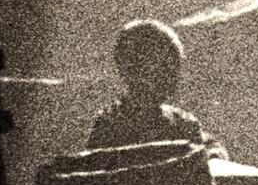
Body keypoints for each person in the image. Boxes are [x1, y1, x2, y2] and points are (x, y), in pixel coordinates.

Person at [88, 17, 212, 152]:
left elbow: (208, 144)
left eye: (174, 65)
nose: (173, 75)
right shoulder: (110, 128)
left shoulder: (185, 124)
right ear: (131, 71)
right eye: (164, 66)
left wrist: (213, 152)